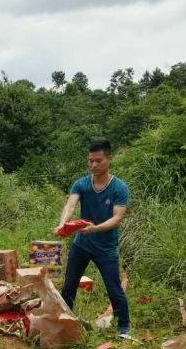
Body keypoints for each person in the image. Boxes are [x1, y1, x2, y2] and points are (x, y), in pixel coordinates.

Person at [56, 139, 131, 337]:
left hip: (106, 248)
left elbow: (117, 218)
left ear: (109, 158)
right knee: (69, 286)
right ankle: (66, 323)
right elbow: (70, 205)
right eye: (90, 161)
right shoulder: (81, 184)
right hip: (81, 245)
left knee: (114, 288)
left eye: (98, 161)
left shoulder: (119, 188)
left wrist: (95, 228)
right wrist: (64, 223)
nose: (94, 165)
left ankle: (124, 329)